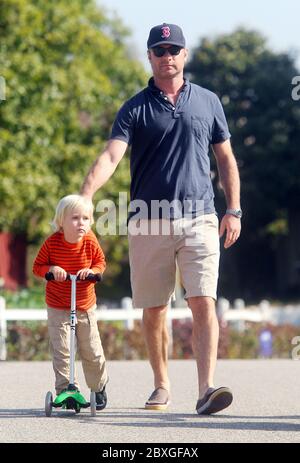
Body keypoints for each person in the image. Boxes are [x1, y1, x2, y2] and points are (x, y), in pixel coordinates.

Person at [80, 23, 242, 415]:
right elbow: (111, 156)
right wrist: (85, 195)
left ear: (184, 55)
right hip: (148, 220)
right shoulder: (135, 107)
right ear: (149, 57)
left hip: (201, 216)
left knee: (203, 300)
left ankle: (205, 389)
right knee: (154, 308)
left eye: (174, 49)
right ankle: (161, 385)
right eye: (159, 50)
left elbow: (225, 159)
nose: (167, 56)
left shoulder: (208, 102)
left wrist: (233, 208)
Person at [33, 194, 108, 410]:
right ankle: (65, 390)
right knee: (62, 350)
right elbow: (37, 266)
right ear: (61, 222)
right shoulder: (52, 243)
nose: (81, 223)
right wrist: (51, 270)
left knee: (92, 350)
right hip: (58, 305)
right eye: (75, 218)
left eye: (86, 218)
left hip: (84, 305)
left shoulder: (90, 241)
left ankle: (98, 387)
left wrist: (92, 272)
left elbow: (100, 262)